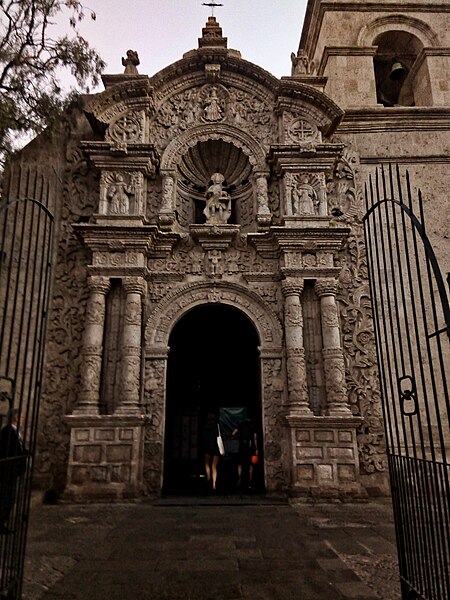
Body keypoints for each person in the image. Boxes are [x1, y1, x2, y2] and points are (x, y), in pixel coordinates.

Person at [0, 408, 27, 534]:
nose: (22, 419)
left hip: (13, 470)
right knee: (6, 497)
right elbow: (7, 450)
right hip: (8, 470)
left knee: (10, 497)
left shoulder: (15, 431)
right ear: (15, 418)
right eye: (20, 417)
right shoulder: (7, 431)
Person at [234, 417, 258, 491]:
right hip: (250, 447)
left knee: (240, 463)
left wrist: (238, 436)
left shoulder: (240, 424)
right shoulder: (252, 426)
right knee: (251, 465)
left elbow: (233, 433)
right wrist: (256, 448)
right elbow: (255, 438)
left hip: (242, 446)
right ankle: (250, 481)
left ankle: (239, 477)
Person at [203, 412, 221, 492]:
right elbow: (219, 436)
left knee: (207, 463)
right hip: (216, 447)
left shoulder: (205, 426)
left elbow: (203, 437)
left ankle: (208, 478)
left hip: (207, 447)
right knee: (214, 466)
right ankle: (214, 484)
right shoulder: (217, 426)